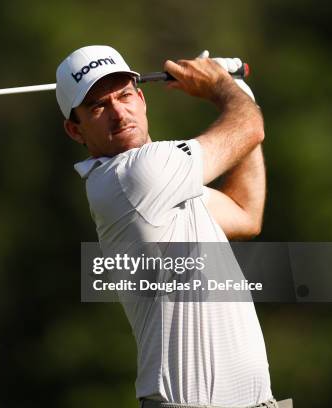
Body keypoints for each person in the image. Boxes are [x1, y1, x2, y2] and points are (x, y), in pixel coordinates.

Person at [56, 45, 291, 407]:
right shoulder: (133, 175)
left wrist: (241, 92)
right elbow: (248, 128)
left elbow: (246, 212)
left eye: (124, 95)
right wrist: (220, 88)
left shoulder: (166, 182)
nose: (119, 113)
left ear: (141, 98)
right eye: (98, 107)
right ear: (75, 130)